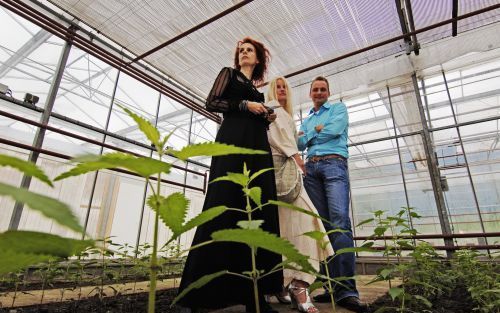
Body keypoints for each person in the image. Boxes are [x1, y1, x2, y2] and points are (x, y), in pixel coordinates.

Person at [177, 37, 282, 313]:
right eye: (241, 50)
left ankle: (254, 296)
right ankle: (196, 294)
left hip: (257, 148)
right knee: (222, 204)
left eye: (250, 50)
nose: (244, 53)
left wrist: (265, 116)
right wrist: (245, 106)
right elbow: (212, 102)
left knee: (256, 212)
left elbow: (257, 116)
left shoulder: (258, 92)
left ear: (258, 59)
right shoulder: (229, 74)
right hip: (232, 145)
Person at [298, 77, 368, 313]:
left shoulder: (338, 108)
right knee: (323, 228)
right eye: (315, 90)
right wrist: (313, 131)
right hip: (311, 170)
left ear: (328, 92)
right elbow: (299, 145)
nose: (319, 92)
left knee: (339, 222)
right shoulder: (308, 119)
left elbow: (335, 130)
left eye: (322, 89)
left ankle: (347, 291)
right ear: (310, 94)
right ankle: (331, 286)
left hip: (334, 164)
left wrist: (311, 134)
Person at [266, 77, 334, 313]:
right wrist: (296, 156)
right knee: (304, 222)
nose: (282, 90)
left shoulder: (285, 114)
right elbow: (278, 140)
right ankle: (296, 286)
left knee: (288, 227)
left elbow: (293, 140)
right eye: (277, 86)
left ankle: (286, 284)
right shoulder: (273, 110)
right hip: (283, 173)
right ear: (271, 91)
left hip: (286, 174)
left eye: (285, 86)